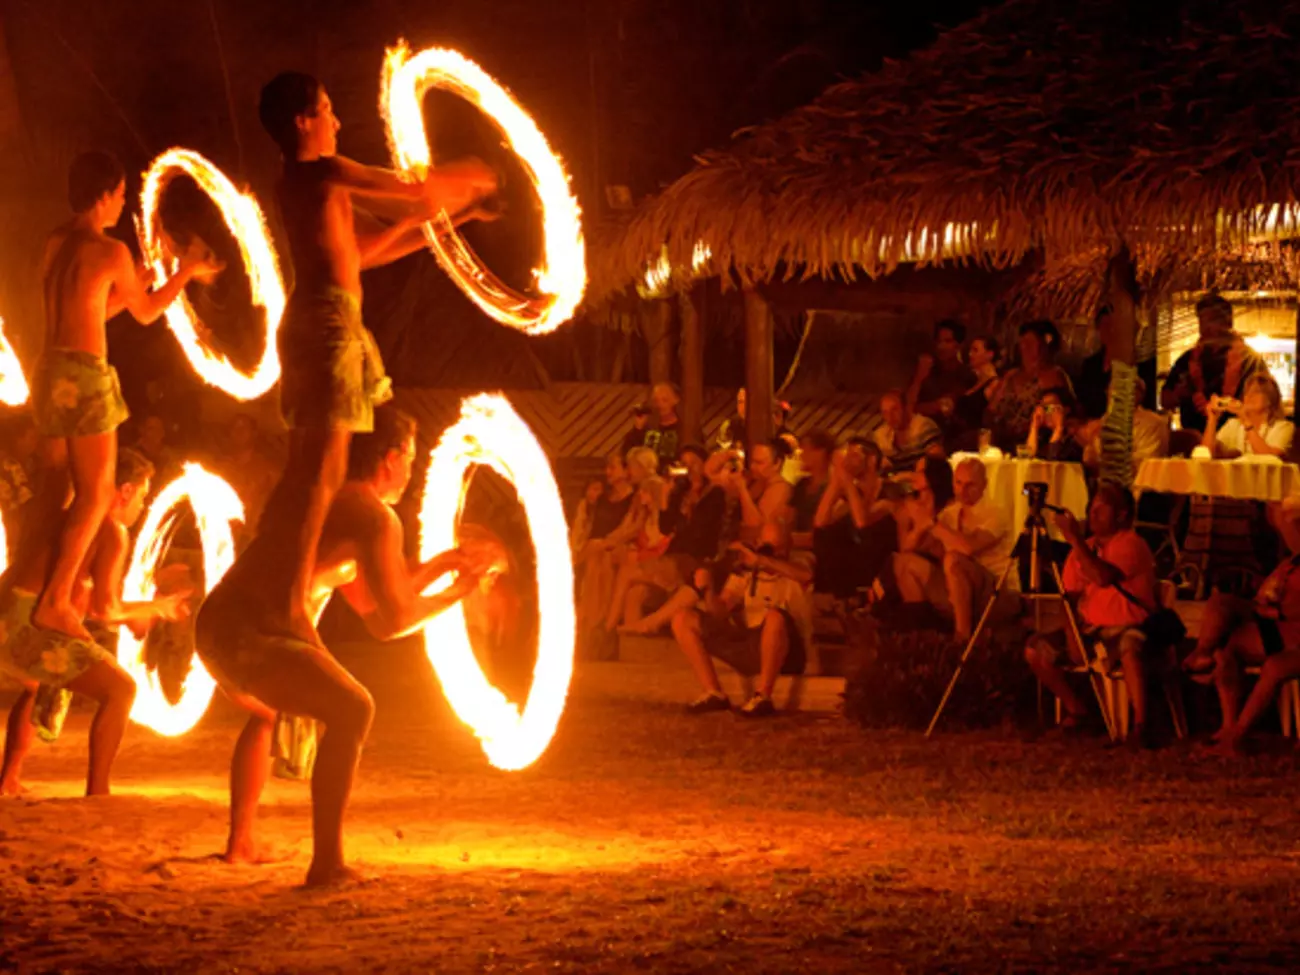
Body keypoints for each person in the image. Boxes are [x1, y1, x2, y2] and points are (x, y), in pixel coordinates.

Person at [199, 72, 499, 677]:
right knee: (326, 470)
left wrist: (448, 226)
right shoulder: (322, 173)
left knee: (326, 466)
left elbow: (366, 250)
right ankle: (288, 596)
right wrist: (473, 177)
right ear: (305, 121)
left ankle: (291, 586)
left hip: (336, 323)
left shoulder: (312, 188)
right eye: (330, 110)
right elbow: (411, 192)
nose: (338, 121)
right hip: (328, 326)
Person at [195, 404, 489, 884]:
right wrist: (459, 592)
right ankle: (327, 864)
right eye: (411, 459)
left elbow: (376, 608)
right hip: (253, 634)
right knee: (353, 709)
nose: (413, 473)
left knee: (270, 710)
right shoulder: (371, 515)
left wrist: (443, 567)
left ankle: (240, 842)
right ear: (390, 458)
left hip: (219, 628)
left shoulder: (338, 504)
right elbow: (394, 622)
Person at [31, 150, 220, 644]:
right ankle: (54, 601)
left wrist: (146, 277)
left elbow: (94, 311)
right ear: (103, 194)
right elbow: (145, 312)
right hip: (88, 377)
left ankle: (35, 589)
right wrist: (183, 272)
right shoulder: (110, 251)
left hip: (50, 373)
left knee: (59, 494)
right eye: (118, 194)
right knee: (96, 494)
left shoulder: (57, 241)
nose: (121, 203)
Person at [0, 448, 189, 796]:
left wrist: (142, 609)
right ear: (126, 490)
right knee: (121, 689)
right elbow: (105, 610)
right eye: (144, 496)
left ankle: (8, 778)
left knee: (39, 681)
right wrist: (157, 607)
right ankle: (98, 790)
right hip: (23, 622)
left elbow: (84, 603)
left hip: (5, 611)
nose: (143, 507)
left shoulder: (71, 517)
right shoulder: (111, 530)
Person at [1024, 484, 1160, 747]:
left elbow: (1103, 576)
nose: (1093, 514)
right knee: (1034, 650)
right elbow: (1069, 598)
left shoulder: (1130, 543)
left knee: (1130, 646)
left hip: (1127, 625)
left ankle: (1141, 725)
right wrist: (1071, 633)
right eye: (1091, 508)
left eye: (1101, 509)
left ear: (1121, 515)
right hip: (1090, 629)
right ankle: (1078, 711)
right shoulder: (1083, 548)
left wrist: (1073, 539)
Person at [669, 519, 814, 717]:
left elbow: (806, 576)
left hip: (788, 651)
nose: (772, 552)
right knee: (683, 618)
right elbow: (720, 613)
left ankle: (763, 695)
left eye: (778, 547)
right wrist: (709, 590)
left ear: (789, 546)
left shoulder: (800, 563)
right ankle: (713, 692)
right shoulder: (745, 574)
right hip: (751, 644)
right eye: (767, 546)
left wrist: (763, 561)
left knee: (774, 616)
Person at [1196, 503, 1300, 756]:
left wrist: (1273, 611)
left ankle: (1237, 736)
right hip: (1278, 629)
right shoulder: (1290, 563)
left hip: (1291, 632)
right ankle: (1229, 725)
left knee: (1275, 666)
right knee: (1226, 647)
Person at [892, 457, 1011, 641]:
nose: (962, 491)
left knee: (953, 559)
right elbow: (909, 548)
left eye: (970, 485)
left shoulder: (996, 513)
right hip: (957, 588)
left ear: (984, 484)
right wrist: (919, 524)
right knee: (905, 563)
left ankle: (962, 638)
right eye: (958, 483)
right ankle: (920, 637)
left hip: (993, 591)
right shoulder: (950, 514)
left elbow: (968, 548)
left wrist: (932, 523)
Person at [1162, 292, 1269, 434]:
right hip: (1195, 440)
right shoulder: (1187, 359)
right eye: (1202, 320)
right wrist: (1179, 394)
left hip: (1239, 440)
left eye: (1212, 320)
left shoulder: (1249, 360)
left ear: (1228, 322)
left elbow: (1268, 399)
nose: (1205, 327)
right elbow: (1164, 400)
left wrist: (1240, 404)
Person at [812, 438, 896, 597]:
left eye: (854, 455)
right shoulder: (853, 493)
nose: (848, 461)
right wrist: (837, 481)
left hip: (879, 560)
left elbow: (862, 522)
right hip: (854, 561)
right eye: (847, 455)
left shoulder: (889, 490)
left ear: (871, 460)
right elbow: (820, 521)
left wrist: (846, 479)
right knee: (824, 535)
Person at [987, 321, 1072, 450]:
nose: (1025, 347)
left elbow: (1060, 410)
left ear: (1044, 346)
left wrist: (1045, 410)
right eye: (1022, 342)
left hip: (1034, 442)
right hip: (1000, 442)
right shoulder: (1011, 376)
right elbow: (991, 409)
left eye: (1030, 343)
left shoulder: (1054, 375)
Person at [1077, 304, 1158, 420]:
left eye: (1114, 326)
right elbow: (1082, 402)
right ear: (1098, 329)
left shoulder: (1142, 364)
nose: (1110, 331)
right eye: (1105, 325)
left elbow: (1147, 404)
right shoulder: (1091, 366)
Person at [213, 413, 281, 548]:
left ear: (253, 433)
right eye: (236, 428)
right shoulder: (220, 468)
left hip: (253, 537)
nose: (240, 432)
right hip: (224, 536)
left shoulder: (266, 469)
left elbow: (280, 499)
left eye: (244, 428)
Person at [1081, 378, 1169, 470]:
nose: (1111, 395)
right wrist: (1089, 440)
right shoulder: (1105, 421)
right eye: (1110, 390)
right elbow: (1090, 460)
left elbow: (1144, 466)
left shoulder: (1152, 424)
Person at [1202, 373, 1294, 460]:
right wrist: (1212, 420)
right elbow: (1206, 455)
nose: (1249, 396)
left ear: (1270, 399)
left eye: (1256, 392)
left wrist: (1245, 419)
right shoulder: (1233, 424)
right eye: (1247, 392)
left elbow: (1268, 458)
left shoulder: (1283, 427)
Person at [907, 320, 975, 436]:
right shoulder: (926, 369)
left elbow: (945, 406)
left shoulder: (965, 374)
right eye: (938, 341)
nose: (941, 346)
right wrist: (919, 378)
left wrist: (918, 408)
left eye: (947, 341)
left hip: (951, 436)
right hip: (920, 435)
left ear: (959, 345)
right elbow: (906, 408)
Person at [951, 335, 1001, 450]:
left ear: (989, 354)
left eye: (975, 350)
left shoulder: (994, 385)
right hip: (959, 440)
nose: (970, 354)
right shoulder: (972, 381)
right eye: (970, 350)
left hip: (973, 443)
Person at [873, 390, 944, 471]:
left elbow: (937, 464)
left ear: (906, 408)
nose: (890, 416)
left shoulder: (924, 427)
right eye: (885, 412)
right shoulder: (883, 436)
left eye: (894, 410)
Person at [789, 429, 835, 547]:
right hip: (795, 545)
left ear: (820, 453)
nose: (801, 455)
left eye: (805, 450)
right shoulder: (801, 484)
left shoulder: (833, 489)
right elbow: (789, 519)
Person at [1024, 387, 1084, 462]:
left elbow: (1053, 463)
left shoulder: (1075, 437)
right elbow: (1027, 458)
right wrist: (1034, 427)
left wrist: (1059, 428)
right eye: (1044, 408)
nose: (1047, 413)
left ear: (1066, 410)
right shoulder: (1045, 435)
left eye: (1052, 407)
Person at [642, 382, 682, 468]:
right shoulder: (647, 428)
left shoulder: (684, 430)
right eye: (656, 401)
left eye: (665, 400)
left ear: (676, 400)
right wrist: (638, 429)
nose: (660, 405)